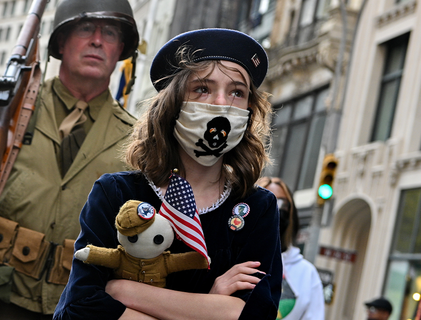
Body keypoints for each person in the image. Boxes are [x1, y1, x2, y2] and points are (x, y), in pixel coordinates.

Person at [0, 0, 140, 318]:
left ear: (120, 48)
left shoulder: (135, 141)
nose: (97, 40)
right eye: (85, 28)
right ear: (61, 42)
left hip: (74, 308)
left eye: (109, 32)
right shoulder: (9, 111)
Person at [54, 28, 282, 320]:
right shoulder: (116, 193)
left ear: (249, 108)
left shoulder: (258, 208)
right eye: (202, 88)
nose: (221, 103)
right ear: (174, 102)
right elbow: (80, 308)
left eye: (237, 92)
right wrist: (211, 307)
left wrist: (124, 291)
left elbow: (256, 314)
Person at [257, 177, 325, 320]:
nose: (276, 208)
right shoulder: (232, 258)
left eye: (283, 203)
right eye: (268, 199)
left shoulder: (307, 274)